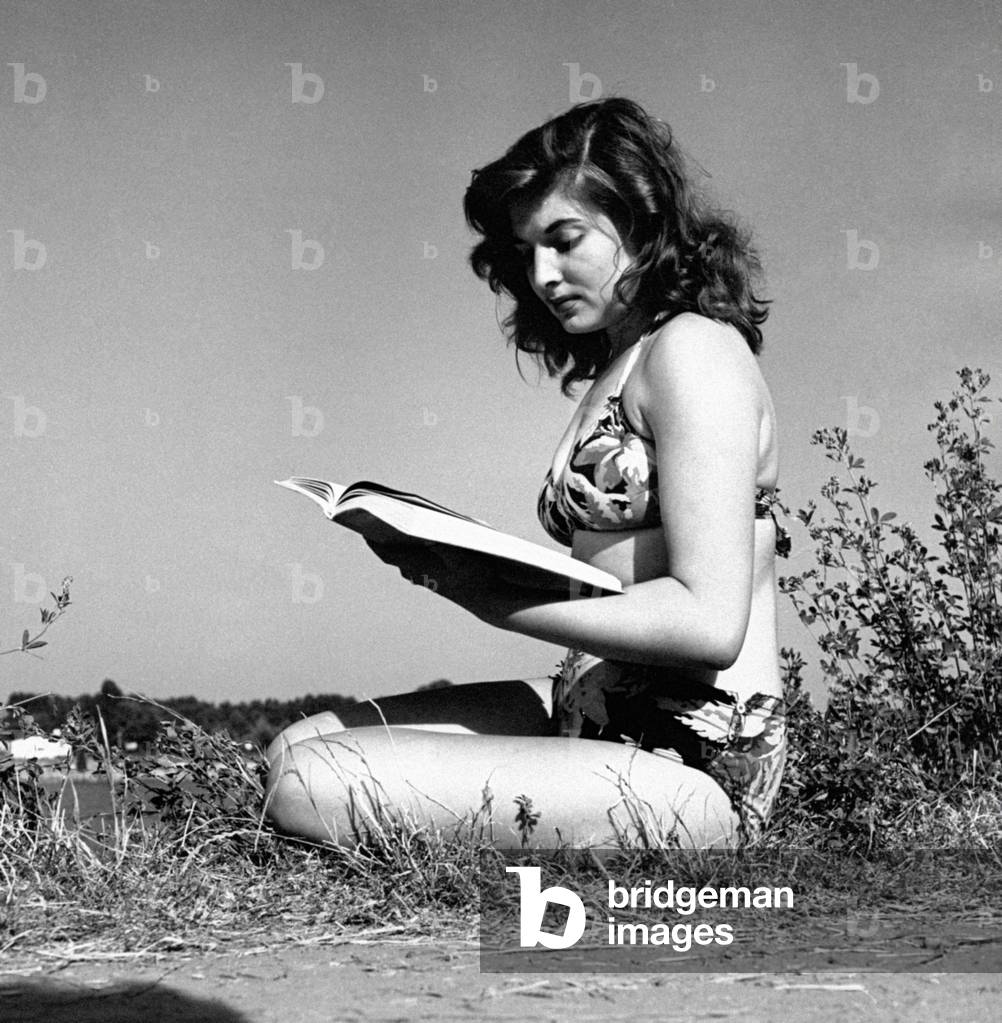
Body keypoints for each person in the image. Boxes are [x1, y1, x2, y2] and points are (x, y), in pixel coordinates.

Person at [264, 97, 788, 850]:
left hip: (696, 755)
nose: (542, 273)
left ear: (640, 218)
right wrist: (438, 550)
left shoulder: (696, 351)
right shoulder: (624, 358)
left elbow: (708, 622)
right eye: (526, 249)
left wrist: (489, 598)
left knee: (309, 782)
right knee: (296, 743)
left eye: (565, 239)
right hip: (594, 705)